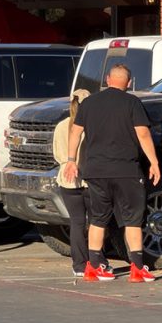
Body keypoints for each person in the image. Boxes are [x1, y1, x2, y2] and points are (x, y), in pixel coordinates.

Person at [64, 64, 160, 283]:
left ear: (107, 79)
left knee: (98, 218)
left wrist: (71, 161)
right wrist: (154, 162)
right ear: (129, 83)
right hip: (126, 170)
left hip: (95, 171)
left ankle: (94, 267)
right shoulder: (132, 102)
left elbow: (75, 132)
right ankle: (137, 268)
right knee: (132, 220)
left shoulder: (88, 103)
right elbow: (143, 134)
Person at [52, 88, 94, 277]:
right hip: (89, 179)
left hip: (67, 178)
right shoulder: (92, 125)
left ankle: (79, 264)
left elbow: (55, 152)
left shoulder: (62, 126)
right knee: (96, 222)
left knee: (76, 222)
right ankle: (96, 260)